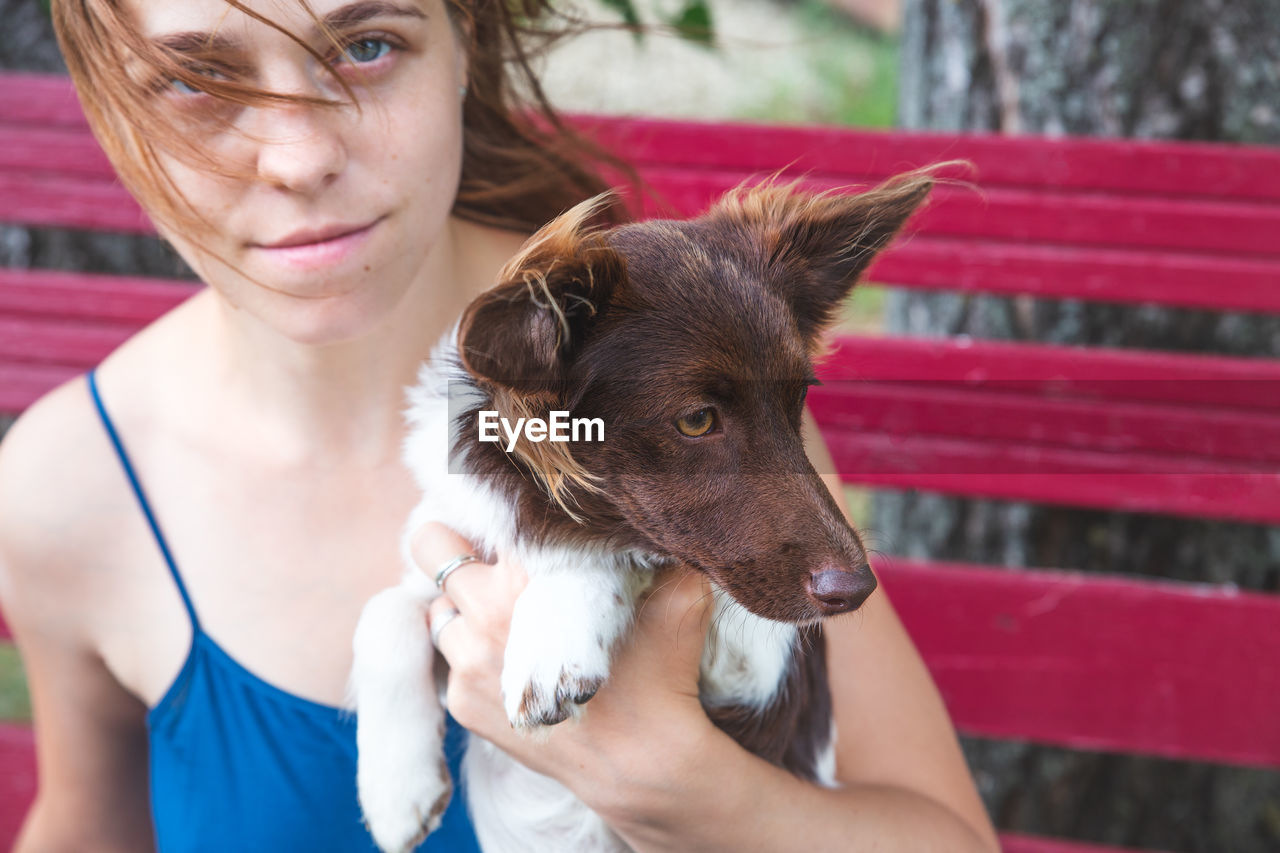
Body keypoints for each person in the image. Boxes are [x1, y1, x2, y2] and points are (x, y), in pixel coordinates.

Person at [0, 0, 1001, 850]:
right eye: (196, 80)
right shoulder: (65, 485)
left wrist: (701, 796)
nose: (300, 155)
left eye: (366, 45)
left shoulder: (687, 367)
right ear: (106, 102)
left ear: (464, 42)